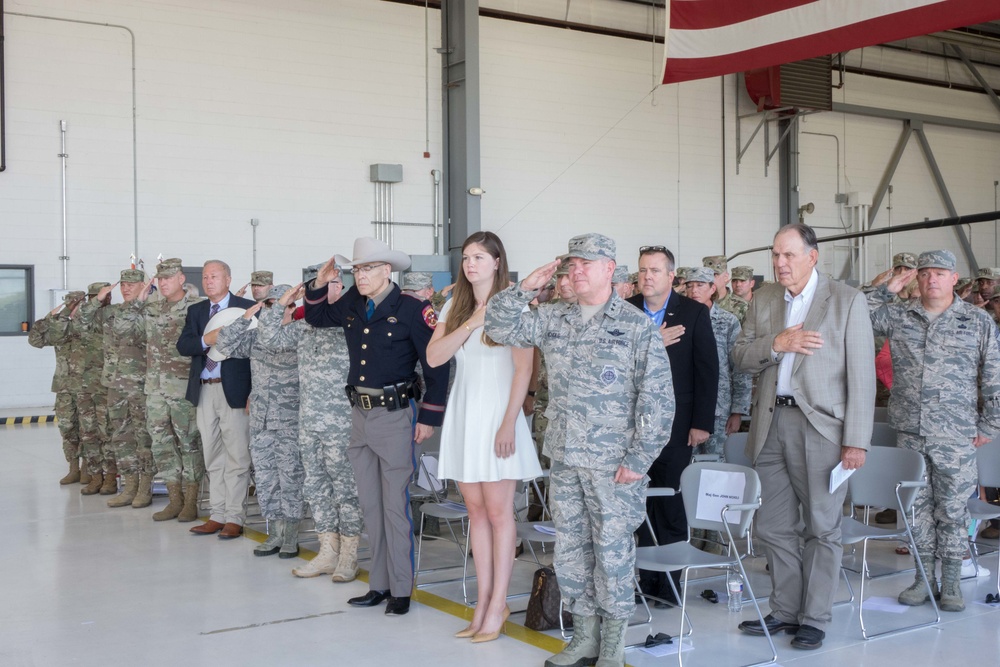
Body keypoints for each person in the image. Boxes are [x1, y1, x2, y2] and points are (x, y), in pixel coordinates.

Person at [485, 233, 674, 667]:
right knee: (571, 550)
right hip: (567, 458)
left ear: (610, 268)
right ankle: (584, 637)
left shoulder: (635, 326)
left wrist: (637, 460)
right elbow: (497, 325)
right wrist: (525, 286)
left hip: (614, 465)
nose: (578, 270)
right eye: (573, 263)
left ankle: (612, 644)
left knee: (612, 552)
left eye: (588, 263)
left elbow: (658, 401)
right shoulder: (554, 318)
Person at [732, 223, 875, 651]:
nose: (780, 263)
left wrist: (857, 441)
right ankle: (784, 610)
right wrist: (776, 344)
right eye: (775, 255)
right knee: (773, 526)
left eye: (789, 255)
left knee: (821, 526)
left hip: (823, 428)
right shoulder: (765, 299)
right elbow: (740, 356)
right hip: (771, 425)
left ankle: (814, 616)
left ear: (813, 257)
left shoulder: (847, 300)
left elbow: (863, 379)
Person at [304, 237, 449, 616]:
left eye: (368, 268)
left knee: (394, 508)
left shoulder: (413, 310)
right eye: (357, 269)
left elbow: (436, 366)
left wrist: (430, 417)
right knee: (370, 505)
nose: (361, 275)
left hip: (395, 415)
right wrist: (320, 283)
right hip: (360, 415)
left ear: (388, 270)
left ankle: (401, 589)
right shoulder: (355, 303)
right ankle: (379, 585)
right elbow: (318, 318)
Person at [868, 249, 1000, 612]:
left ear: (954, 278)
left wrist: (990, 422)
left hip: (955, 433)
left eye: (940, 273)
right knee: (915, 509)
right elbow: (855, 317)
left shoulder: (976, 320)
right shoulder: (897, 314)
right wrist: (888, 288)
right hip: (910, 430)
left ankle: (953, 582)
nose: (932, 279)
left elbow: (993, 374)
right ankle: (923, 579)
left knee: (954, 509)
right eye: (924, 273)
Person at [426, 231, 541, 643]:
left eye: (479, 257)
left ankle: (498, 603)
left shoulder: (514, 305)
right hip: (464, 413)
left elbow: (524, 370)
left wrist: (510, 422)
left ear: (497, 262)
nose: (471, 264)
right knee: (474, 512)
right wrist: (472, 321)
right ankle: (482, 600)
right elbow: (435, 357)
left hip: (498, 414)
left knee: (498, 513)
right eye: (467, 258)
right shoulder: (455, 306)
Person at [627, 250, 718, 603]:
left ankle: (668, 584)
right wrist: (651, 341)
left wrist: (701, 423)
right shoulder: (626, 309)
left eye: (655, 270)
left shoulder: (693, 312)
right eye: (642, 270)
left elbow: (707, 371)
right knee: (638, 506)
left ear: (671, 275)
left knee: (668, 503)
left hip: (677, 427)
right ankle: (644, 581)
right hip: (632, 427)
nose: (647, 277)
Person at [262, 275, 364, 582]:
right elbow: (268, 338)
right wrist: (282, 302)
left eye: (332, 284)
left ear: (342, 288)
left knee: (346, 490)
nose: (325, 289)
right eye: (316, 286)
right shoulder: (303, 326)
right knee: (317, 489)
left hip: (342, 423)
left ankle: (348, 555)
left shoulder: (351, 323)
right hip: (308, 423)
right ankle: (327, 551)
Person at [215, 284, 306, 558]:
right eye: (268, 305)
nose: (271, 310)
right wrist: (244, 319)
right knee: (266, 479)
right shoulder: (256, 337)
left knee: (290, 477)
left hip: (290, 419)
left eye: (278, 304)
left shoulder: (300, 333)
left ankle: (291, 535)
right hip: (261, 419)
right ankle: (274, 533)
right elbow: (223, 344)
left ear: (291, 306)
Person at [116, 258, 206, 518]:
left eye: (169, 278)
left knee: (189, 443)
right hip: (154, 390)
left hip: (182, 390)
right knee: (161, 445)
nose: (164, 283)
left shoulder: (197, 307)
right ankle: (174, 499)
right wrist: (137, 302)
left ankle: (190, 501)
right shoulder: (150, 309)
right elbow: (124, 331)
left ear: (181, 279)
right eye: (160, 279)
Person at [177, 260, 255, 538]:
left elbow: (257, 354)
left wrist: (253, 392)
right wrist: (206, 339)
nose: (209, 281)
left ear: (228, 279)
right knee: (212, 455)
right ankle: (217, 514)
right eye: (206, 277)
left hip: (235, 391)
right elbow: (183, 346)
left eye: (215, 276)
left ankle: (235, 517)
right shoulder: (196, 310)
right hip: (204, 389)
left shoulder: (246, 309)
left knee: (237, 455)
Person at [90, 272, 156, 508]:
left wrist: (140, 301)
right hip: (114, 383)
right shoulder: (112, 311)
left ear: (144, 286)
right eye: (123, 285)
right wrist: (98, 299)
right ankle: (129, 486)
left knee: (143, 437)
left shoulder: (151, 310)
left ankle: (144, 487)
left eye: (132, 285)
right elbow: (81, 321)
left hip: (140, 383)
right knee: (121, 437)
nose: (126, 289)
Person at [28, 291, 87, 484]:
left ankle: (88, 468)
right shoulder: (58, 329)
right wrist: (48, 317)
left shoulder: (89, 325)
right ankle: (73, 468)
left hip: (87, 386)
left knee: (89, 429)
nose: (74, 306)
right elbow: (35, 340)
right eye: (70, 303)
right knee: (67, 428)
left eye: (77, 303)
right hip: (63, 387)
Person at [75, 282, 117, 496]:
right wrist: (94, 301)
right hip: (84, 385)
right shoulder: (86, 317)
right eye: (96, 296)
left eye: (104, 295)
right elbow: (79, 318)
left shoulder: (114, 315)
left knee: (107, 432)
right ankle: (95, 476)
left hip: (105, 385)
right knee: (88, 433)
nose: (101, 299)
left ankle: (110, 477)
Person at [703, 255, 748, 324]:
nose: (710, 279)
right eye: (706, 275)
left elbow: (748, 333)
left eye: (715, 275)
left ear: (726, 277)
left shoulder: (742, 306)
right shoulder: (698, 303)